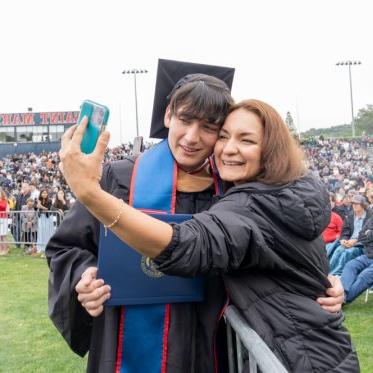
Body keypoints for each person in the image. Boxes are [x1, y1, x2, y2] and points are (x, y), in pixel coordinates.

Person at [47, 60, 344, 373]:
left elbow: (278, 250)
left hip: (211, 345)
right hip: (127, 340)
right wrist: (84, 277)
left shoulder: (235, 188)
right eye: (185, 120)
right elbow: (65, 248)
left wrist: (319, 285)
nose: (191, 137)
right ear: (167, 116)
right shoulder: (118, 179)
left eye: (208, 127)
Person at [329, 194, 371, 275]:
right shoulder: (350, 216)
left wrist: (355, 241)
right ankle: (329, 272)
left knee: (348, 253)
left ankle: (336, 273)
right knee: (338, 250)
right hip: (349, 241)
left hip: (362, 243)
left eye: (356, 204)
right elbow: (345, 232)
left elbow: (369, 234)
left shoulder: (370, 216)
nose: (354, 206)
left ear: (363, 205)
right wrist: (343, 240)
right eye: (353, 204)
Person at [341, 215, 373, 303]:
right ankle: (342, 294)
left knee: (365, 275)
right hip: (368, 255)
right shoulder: (371, 219)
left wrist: (370, 233)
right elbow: (361, 236)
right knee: (350, 265)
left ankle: (342, 300)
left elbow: (367, 235)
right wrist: (368, 235)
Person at [0, 189, 9, 255]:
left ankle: (5, 249)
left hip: (3, 219)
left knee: (3, 235)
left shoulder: (5, 201)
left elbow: (7, 211)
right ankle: (1, 249)